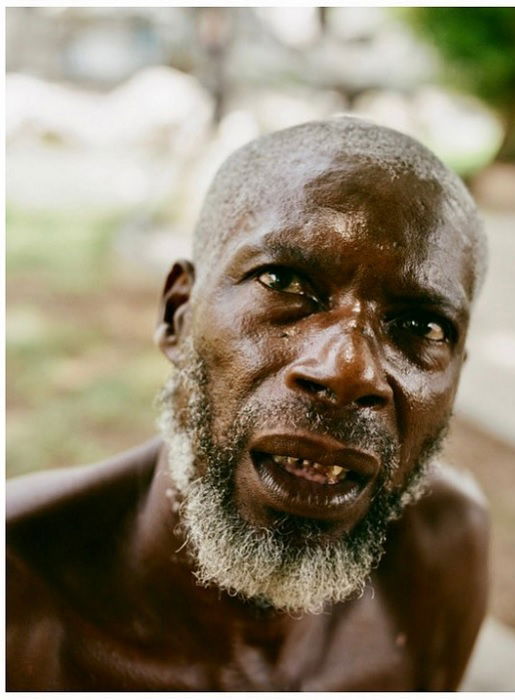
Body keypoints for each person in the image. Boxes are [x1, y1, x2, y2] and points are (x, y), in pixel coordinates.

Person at [6, 117, 489, 691]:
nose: (347, 370)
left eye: (420, 325)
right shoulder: (19, 600)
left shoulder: (441, 557)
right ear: (177, 315)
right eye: (283, 281)